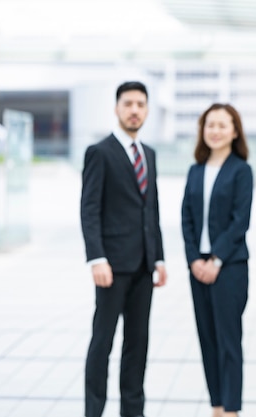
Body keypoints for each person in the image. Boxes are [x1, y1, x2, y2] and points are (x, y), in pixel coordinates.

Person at [81, 81, 168, 417]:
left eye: (140, 105)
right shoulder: (100, 152)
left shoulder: (149, 154)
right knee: (102, 342)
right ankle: (94, 410)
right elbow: (89, 209)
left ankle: (133, 412)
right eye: (128, 103)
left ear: (146, 111)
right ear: (117, 109)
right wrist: (96, 257)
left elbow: (152, 209)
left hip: (144, 265)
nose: (134, 110)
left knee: (137, 344)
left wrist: (158, 257)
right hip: (111, 266)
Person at [181, 103, 253, 417]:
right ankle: (217, 406)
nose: (216, 130)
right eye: (210, 124)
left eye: (223, 125)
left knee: (228, 341)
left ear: (234, 131)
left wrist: (216, 260)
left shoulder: (241, 169)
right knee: (207, 340)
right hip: (198, 268)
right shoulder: (196, 170)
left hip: (230, 267)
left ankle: (232, 409)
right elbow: (186, 218)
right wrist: (194, 260)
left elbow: (241, 221)